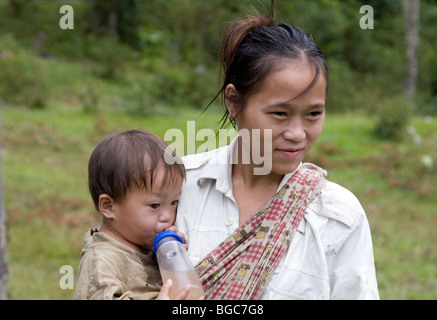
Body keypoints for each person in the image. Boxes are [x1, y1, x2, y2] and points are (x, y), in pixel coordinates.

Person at [176, 6, 379, 300]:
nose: (297, 133)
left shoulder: (339, 217)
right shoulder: (175, 188)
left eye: (313, 114)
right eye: (280, 113)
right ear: (233, 102)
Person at [73, 129, 195, 300]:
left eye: (174, 203)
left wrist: (170, 259)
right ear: (109, 206)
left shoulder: (143, 245)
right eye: (155, 205)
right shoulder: (101, 262)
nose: (167, 216)